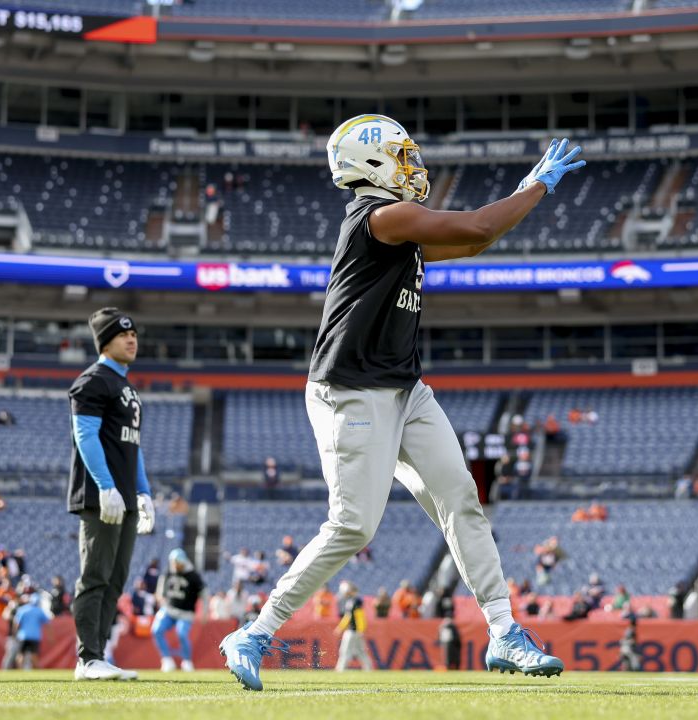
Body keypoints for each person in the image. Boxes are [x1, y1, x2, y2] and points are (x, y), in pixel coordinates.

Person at [217, 127, 586, 691]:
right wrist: (534, 186)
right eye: (400, 157)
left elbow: (475, 242)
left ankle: (505, 631)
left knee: (460, 496)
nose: (411, 166)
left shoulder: (398, 224)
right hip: (352, 389)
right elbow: (477, 226)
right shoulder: (379, 217)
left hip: (403, 387)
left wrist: (521, 193)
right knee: (353, 525)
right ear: (370, 163)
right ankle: (256, 632)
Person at [67, 308, 155, 682]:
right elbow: (85, 436)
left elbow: (132, 446)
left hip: (125, 499)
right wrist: (105, 486)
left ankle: (98, 655)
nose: (132, 339)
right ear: (105, 341)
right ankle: (87, 658)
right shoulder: (92, 381)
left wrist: (144, 492)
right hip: (100, 497)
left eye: (134, 333)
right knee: (95, 576)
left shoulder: (127, 388)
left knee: (116, 580)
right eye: (123, 334)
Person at [152, 548, 206, 672]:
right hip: (169, 609)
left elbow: (204, 593)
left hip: (186, 613)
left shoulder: (193, 575)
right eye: (173, 563)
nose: (175, 566)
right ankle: (167, 660)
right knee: (156, 630)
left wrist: (204, 612)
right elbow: (161, 587)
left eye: (177, 563)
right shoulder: (169, 572)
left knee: (181, 634)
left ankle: (187, 661)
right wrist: (160, 597)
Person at [334, 581, 373, 671]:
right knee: (361, 651)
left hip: (353, 631)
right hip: (355, 631)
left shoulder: (355, 601)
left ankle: (341, 668)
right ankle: (369, 668)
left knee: (345, 650)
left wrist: (360, 629)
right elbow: (349, 617)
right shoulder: (352, 601)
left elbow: (358, 617)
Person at [13, 592, 51, 670]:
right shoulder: (39, 611)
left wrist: (15, 634)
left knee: (21, 655)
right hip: (35, 636)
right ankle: (37, 673)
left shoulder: (22, 610)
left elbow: (16, 623)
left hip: (23, 636)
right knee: (34, 656)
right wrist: (51, 636)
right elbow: (48, 624)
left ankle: (19, 673)